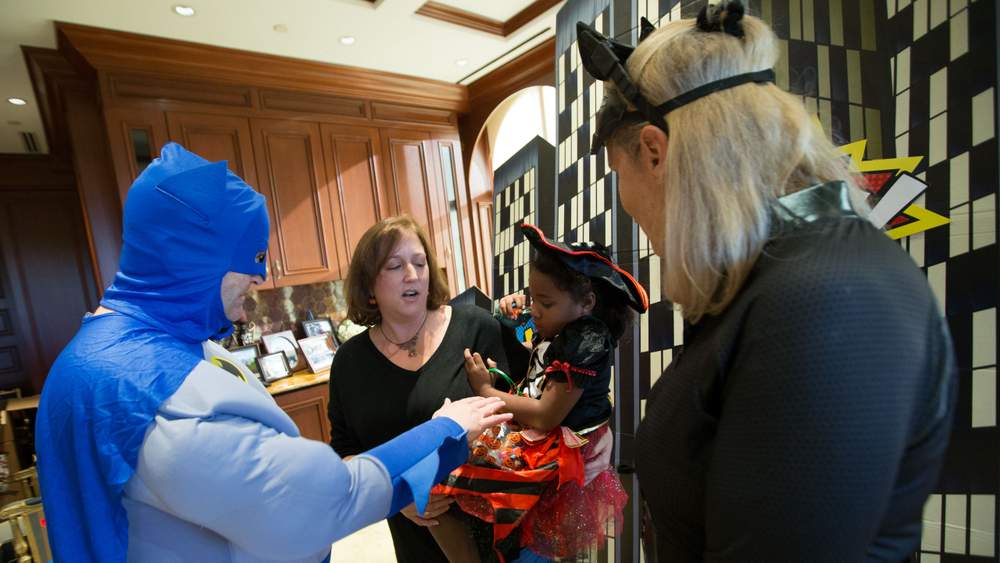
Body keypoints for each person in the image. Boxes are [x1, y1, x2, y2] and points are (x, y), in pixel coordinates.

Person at [576, 2, 957, 561]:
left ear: (655, 152)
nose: (631, 210)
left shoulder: (828, 302)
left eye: (620, 175)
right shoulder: (784, 279)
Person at [34, 143, 512, 563]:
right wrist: (447, 431)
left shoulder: (98, 352)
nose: (261, 278)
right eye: (253, 260)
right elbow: (322, 501)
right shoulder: (150, 391)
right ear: (201, 263)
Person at [430, 223, 648, 561]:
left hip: (559, 452)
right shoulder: (564, 327)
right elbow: (538, 375)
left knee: (445, 474)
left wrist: (487, 389)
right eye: (533, 299)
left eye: (545, 303)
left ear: (587, 302)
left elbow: (547, 414)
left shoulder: (586, 340)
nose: (535, 310)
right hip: (546, 442)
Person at [328, 215, 517, 563]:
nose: (413, 275)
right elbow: (345, 457)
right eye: (395, 266)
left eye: (419, 263)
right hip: (416, 544)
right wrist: (398, 495)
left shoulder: (476, 328)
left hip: (501, 532)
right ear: (369, 285)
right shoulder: (349, 363)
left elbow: (518, 416)